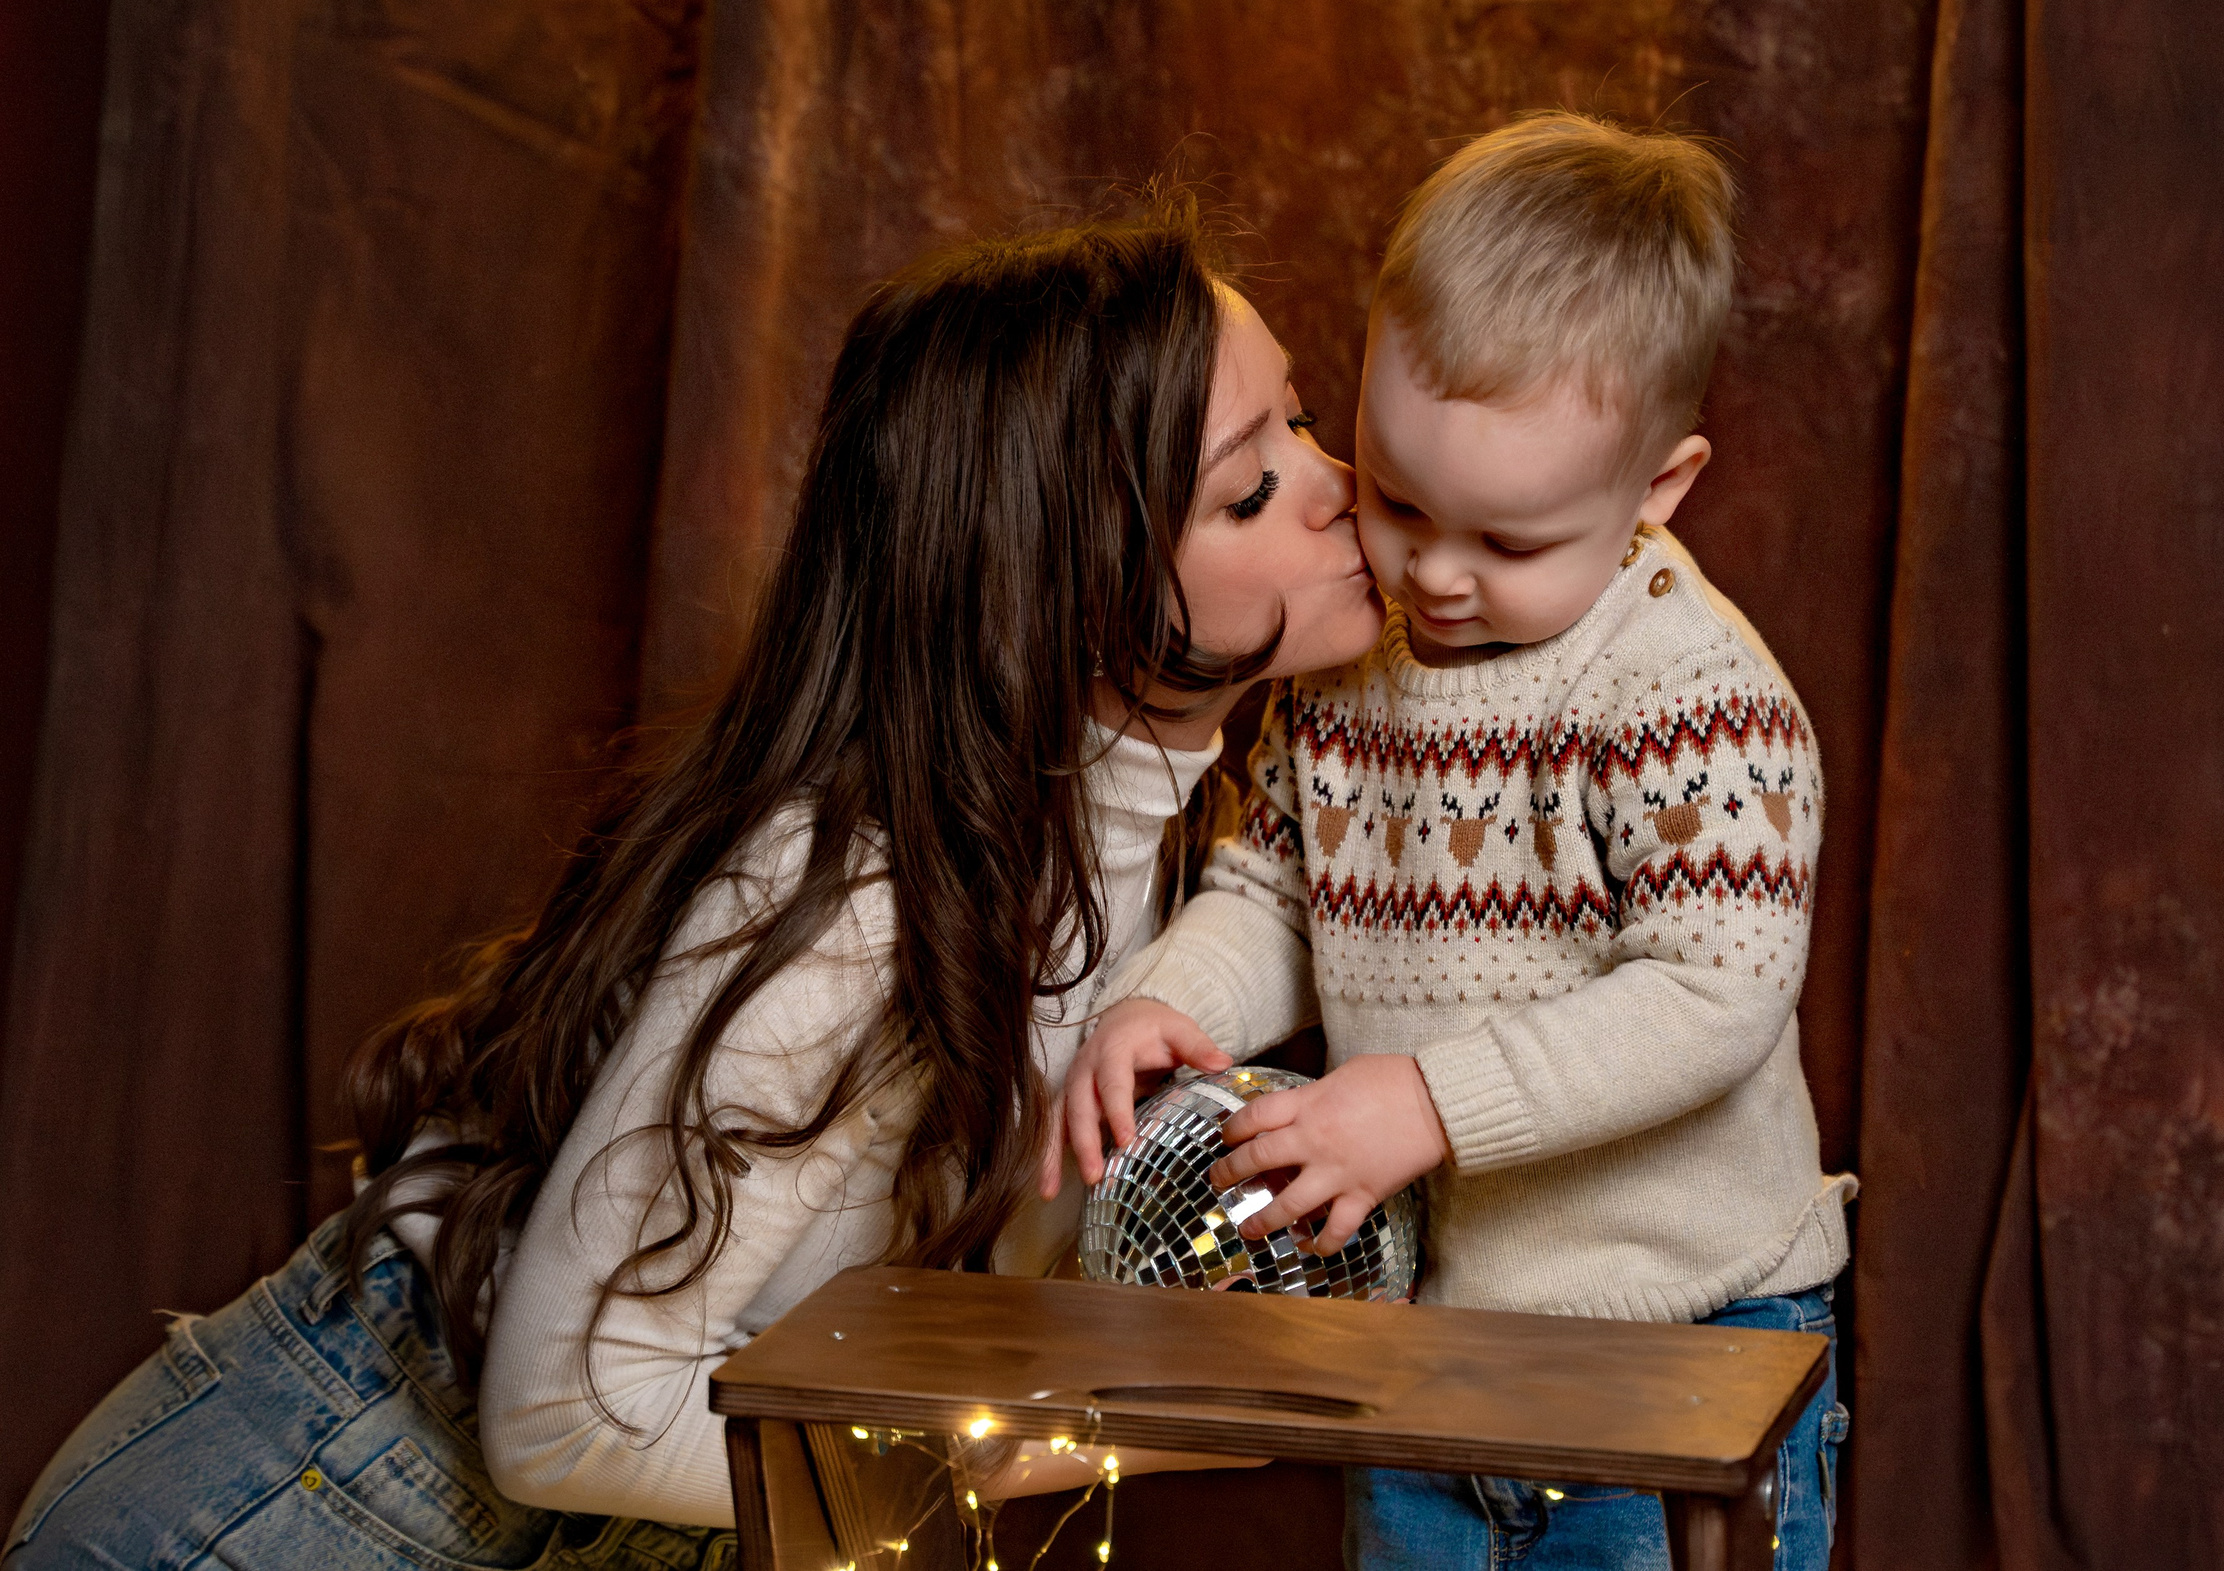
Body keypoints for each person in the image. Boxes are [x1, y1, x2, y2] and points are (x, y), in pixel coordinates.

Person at [6, 201, 1383, 1568]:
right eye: (1245, 488)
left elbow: (1011, 1292)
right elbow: (563, 1419)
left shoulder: (1171, 855)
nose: (1336, 484)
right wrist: (1111, 1438)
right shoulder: (864, 894)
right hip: (283, 1520)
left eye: (1304, 420)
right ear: (1063, 585)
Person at [1050, 115, 1856, 1571]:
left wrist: (1427, 1104)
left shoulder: (1689, 698)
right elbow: (1279, 886)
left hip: (1681, 1339)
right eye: (1399, 498)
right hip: (1434, 1341)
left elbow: (1711, 996)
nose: (1433, 573)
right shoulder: (1363, 666)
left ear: (1657, 492)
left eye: (1510, 542)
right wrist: (1179, 999)